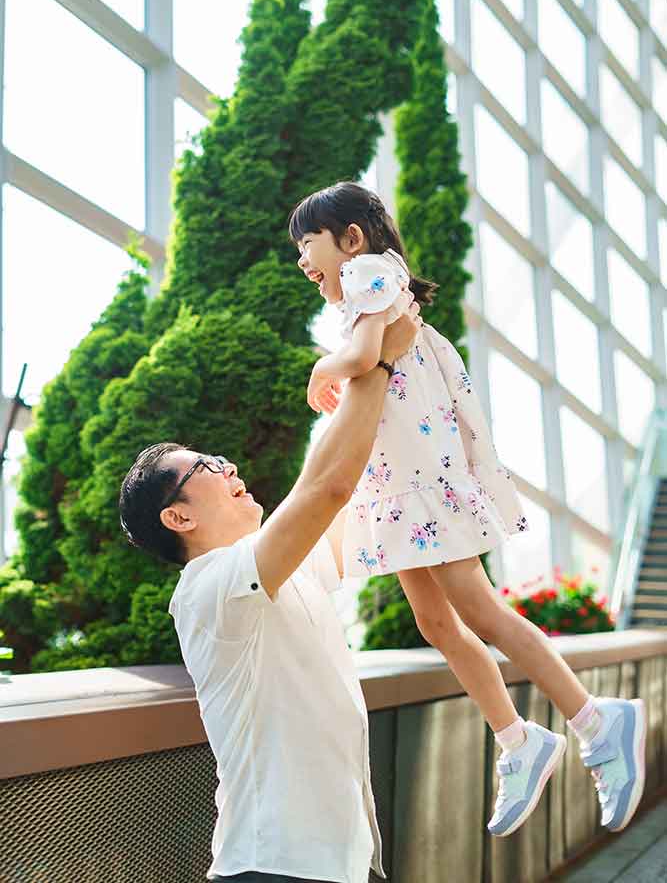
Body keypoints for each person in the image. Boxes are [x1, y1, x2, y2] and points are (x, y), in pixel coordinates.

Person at [289, 180, 646, 838]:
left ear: (350, 238)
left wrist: (322, 371)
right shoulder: (369, 289)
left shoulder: (371, 274)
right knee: (435, 621)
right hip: (404, 485)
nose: (302, 262)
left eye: (306, 244)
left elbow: (366, 357)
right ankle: (518, 742)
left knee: (476, 611)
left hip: (422, 482)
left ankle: (596, 723)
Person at [118, 302, 422, 883]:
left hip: (346, 859)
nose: (229, 466)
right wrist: (373, 361)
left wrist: (380, 360)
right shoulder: (209, 588)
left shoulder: (283, 569)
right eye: (205, 465)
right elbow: (326, 488)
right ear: (178, 517)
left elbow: (342, 490)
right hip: (273, 864)